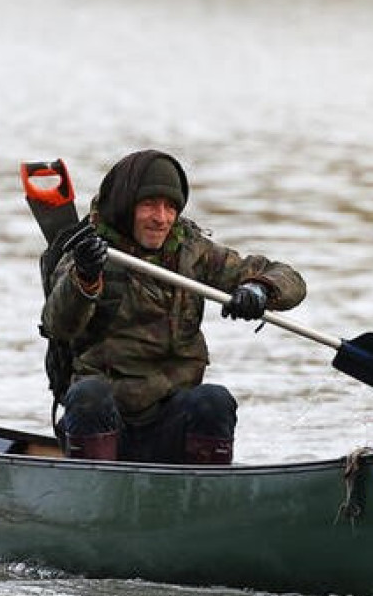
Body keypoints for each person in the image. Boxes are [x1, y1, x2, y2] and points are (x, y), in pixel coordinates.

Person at [41, 149, 306, 464]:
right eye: (149, 205)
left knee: (214, 401)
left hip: (171, 423)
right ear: (126, 206)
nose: (161, 218)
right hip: (107, 422)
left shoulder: (191, 251)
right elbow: (58, 324)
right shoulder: (86, 251)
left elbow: (290, 279)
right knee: (89, 397)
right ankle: (93, 491)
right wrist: (84, 278)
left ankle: (203, 495)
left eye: (170, 207)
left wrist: (260, 289)